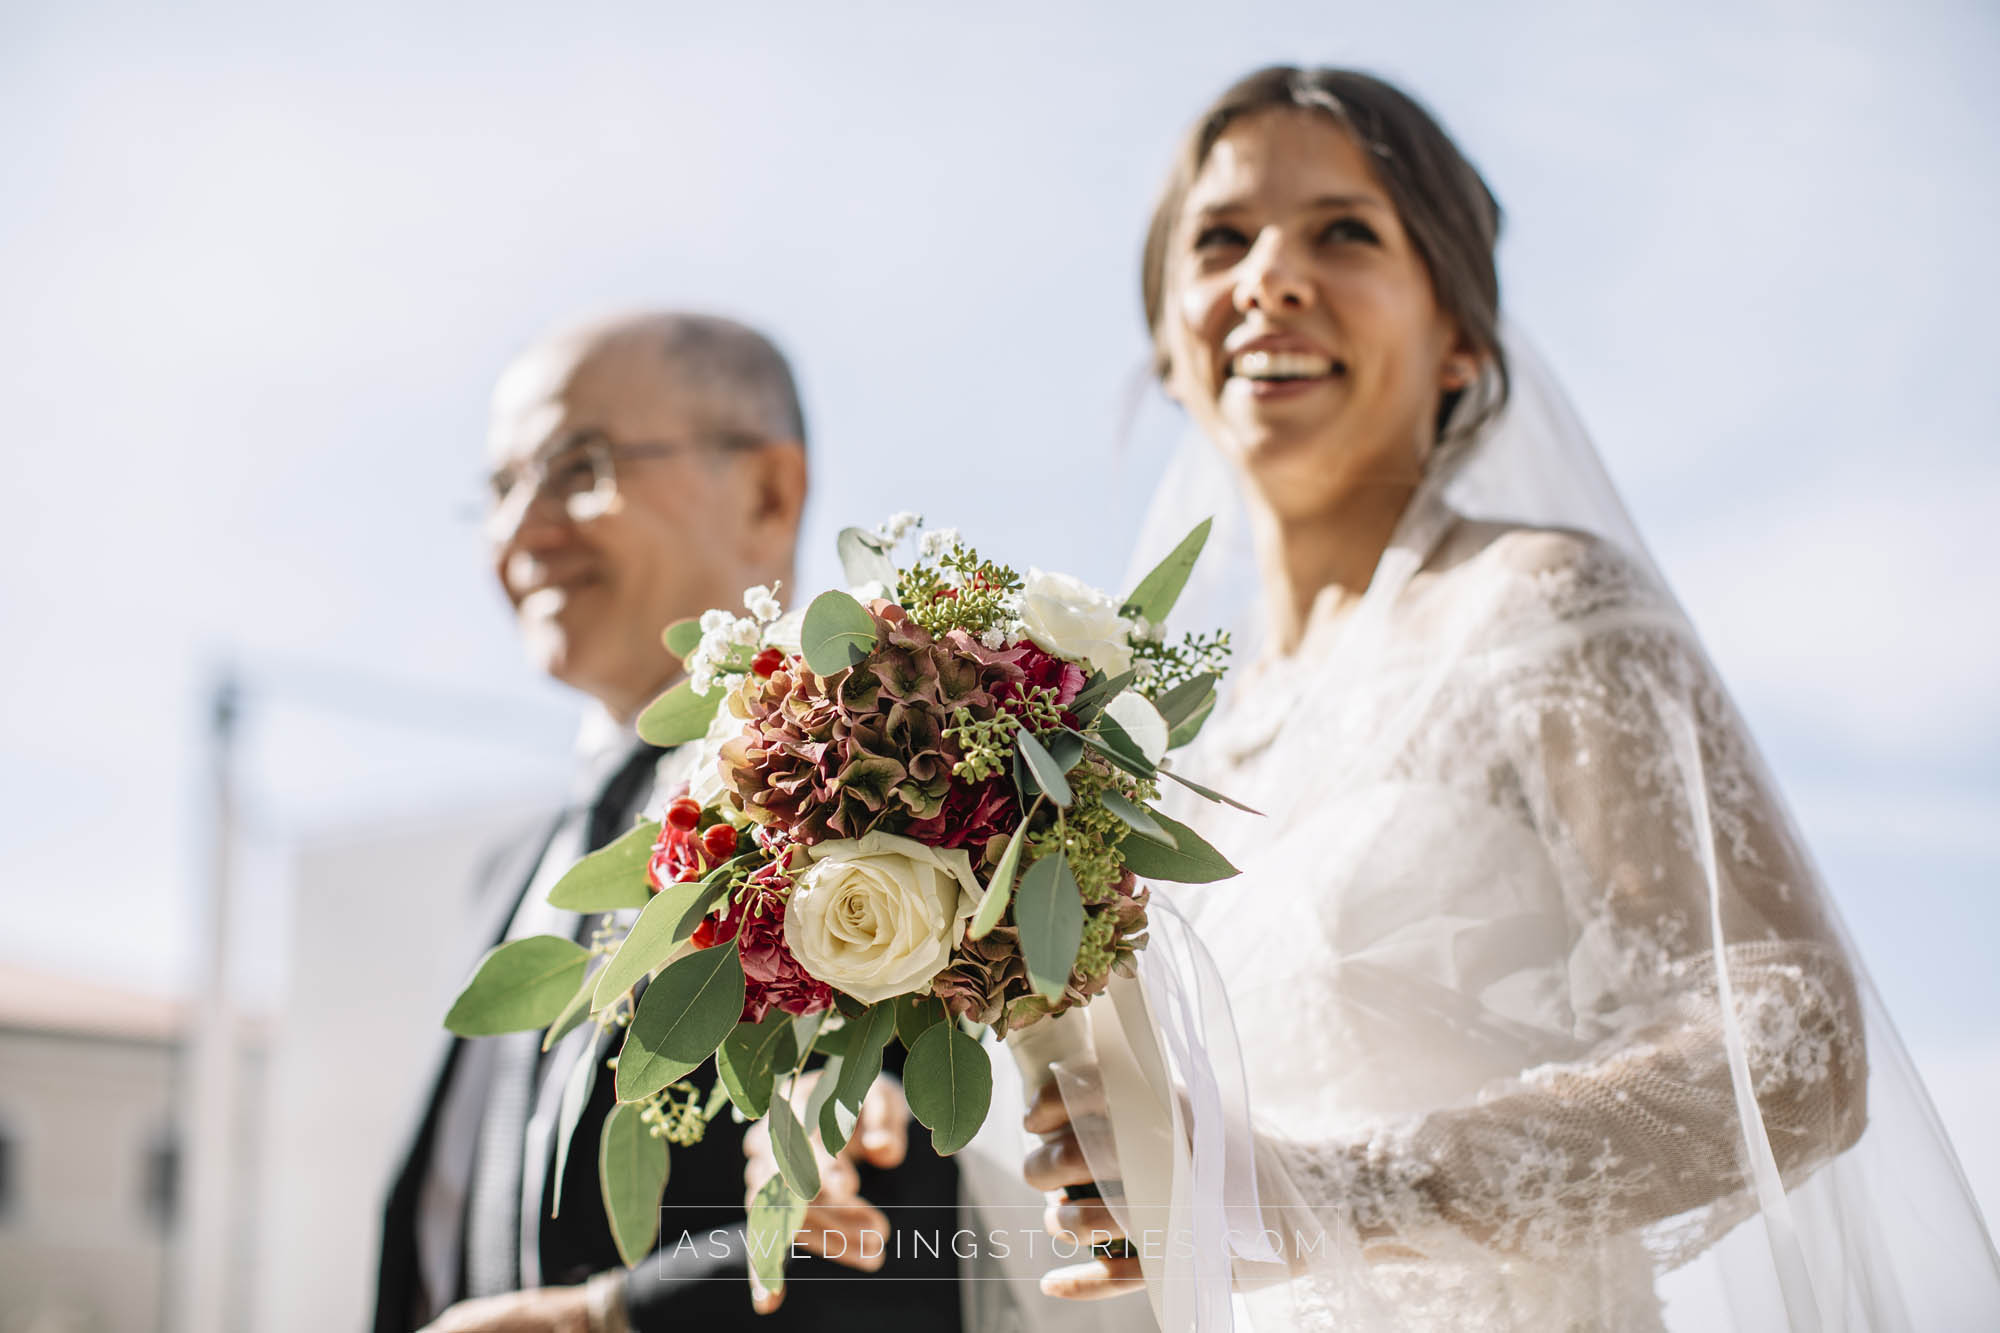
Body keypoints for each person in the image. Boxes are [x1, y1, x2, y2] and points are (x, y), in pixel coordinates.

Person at [983, 67, 2000, 1331]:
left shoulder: (1539, 603)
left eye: (1343, 231)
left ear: (1460, 336)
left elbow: (1794, 1048)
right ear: (1169, 342)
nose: (1269, 278)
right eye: (1221, 239)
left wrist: (1338, 1192)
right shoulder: (1155, 760)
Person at [372, 311, 964, 1333]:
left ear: (768, 492)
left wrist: (603, 1319)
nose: (519, 531)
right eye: (500, 488)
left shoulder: (893, 791)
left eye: (578, 466)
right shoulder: (516, 869)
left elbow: (916, 1222)